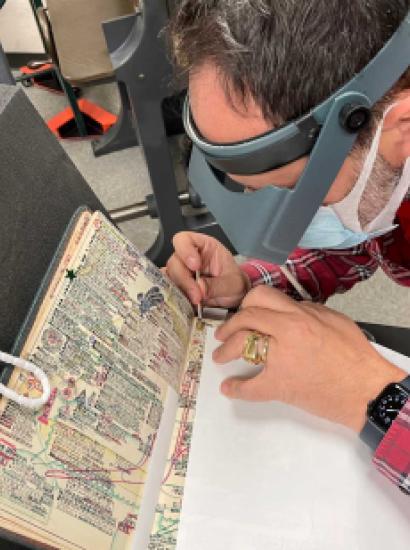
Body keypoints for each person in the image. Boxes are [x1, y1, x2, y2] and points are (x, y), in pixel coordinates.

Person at [164, 1, 410, 494]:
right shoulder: (390, 169)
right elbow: (367, 242)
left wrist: (370, 394)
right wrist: (251, 280)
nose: (292, 224)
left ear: (402, 126)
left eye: (297, 194)